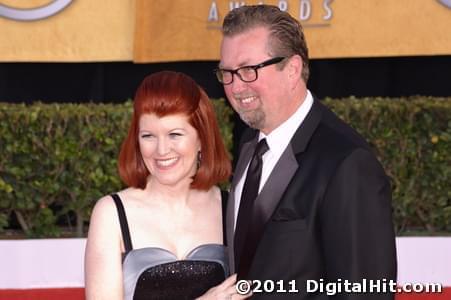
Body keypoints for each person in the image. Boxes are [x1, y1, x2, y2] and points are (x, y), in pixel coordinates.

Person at [215, 5, 397, 299]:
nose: (235, 86)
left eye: (248, 70)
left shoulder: (347, 163)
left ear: (292, 69)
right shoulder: (250, 145)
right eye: (227, 72)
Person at [85, 71, 248, 300]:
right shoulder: (111, 213)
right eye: (148, 136)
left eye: (174, 134)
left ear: (202, 137)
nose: (161, 150)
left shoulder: (232, 207)